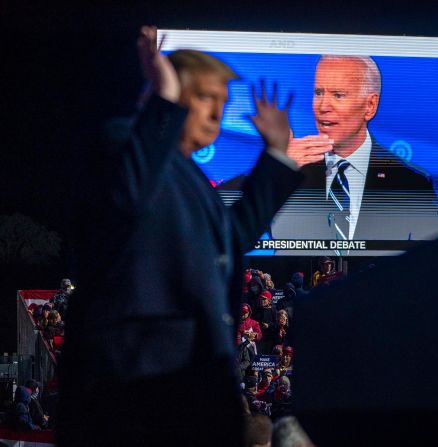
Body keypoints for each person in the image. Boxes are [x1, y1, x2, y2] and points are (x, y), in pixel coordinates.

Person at [57, 26, 303, 447]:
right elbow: (128, 197)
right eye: (206, 97)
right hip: (131, 395)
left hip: (189, 392)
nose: (217, 114)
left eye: (223, 103)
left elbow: (233, 236)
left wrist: (277, 154)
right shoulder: (120, 142)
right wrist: (163, 99)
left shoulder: (189, 177)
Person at [271, 55, 438, 254]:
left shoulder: (411, 185)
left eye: (338, 95)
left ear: (370, 106)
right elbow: (229, 222)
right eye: (318, 93)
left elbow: (433, 266)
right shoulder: (290, 172)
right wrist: (276, 168)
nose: (323, 106)